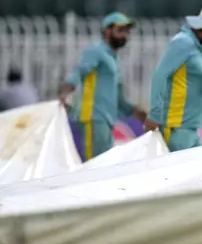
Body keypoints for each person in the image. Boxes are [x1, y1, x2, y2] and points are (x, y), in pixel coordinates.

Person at [144, 5, 202, 152]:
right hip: (176, 129)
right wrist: (155, 114)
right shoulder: (183, 43)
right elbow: (160, 75)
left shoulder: (195, 47)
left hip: (188, 130)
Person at [59, 12, 147, 161]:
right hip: (92, 118)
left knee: (103, 167)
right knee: (93, 167)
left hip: (106, 121)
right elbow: (79, 73)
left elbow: (118, 99)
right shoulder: (96, 51)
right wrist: (64, 93)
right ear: (107, 31)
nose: (125, 35)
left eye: (126, 31)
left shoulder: (112, 59)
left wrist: (139, 114)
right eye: (120, 30)